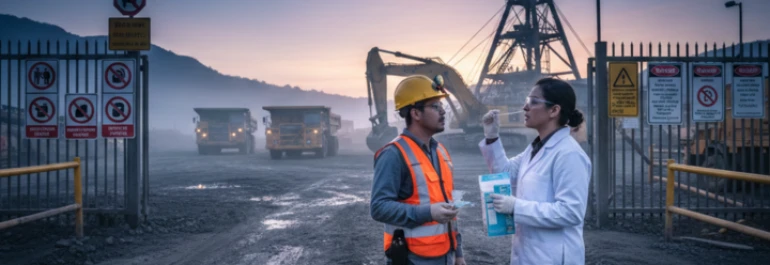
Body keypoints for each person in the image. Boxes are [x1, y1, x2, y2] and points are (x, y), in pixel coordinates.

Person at [479, 77, 591, 265]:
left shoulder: (569, 154)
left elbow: (571, 212)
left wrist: (516, 207)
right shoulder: (535, 149)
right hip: (529, 254)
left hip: (554, 257)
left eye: (533, 101)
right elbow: (504, 173)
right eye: (526, 101)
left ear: (554, 110)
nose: (525, 107)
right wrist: (491, 137)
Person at [370, 75, 466, 265]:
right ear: (415, 114)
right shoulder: (393, 154)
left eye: (442, 107)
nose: (443, 112)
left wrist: (458, 251)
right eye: (435, 107)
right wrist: (428, 213)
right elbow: (379, 208)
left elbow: (448, 205)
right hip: (412, 259)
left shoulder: (440, 151)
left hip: (445, 255)